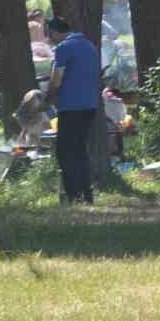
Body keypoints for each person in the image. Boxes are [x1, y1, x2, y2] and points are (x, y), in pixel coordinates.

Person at [45, 17, 99, 205]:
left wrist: (47, 98)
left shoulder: (63, 48)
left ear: (53, 32)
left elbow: (56, 80)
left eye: (49, 34)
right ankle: (87, 193)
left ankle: (73, 195)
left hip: (71, 106)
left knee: (65, 151)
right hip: (89, 105)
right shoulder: (89, 46)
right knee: (80, 149)